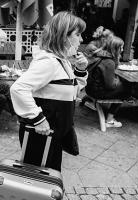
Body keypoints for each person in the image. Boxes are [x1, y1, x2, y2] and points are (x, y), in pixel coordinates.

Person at [10, 11, 88, 172]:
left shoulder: (62, 61)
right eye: (78, 34)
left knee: (47, 176)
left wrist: (80, 70)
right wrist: (38, 119)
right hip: (41, 134)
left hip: (53, 134)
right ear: (63, 36)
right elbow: (18, 88)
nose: (81, 40)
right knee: (37, 179)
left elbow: (72, 91)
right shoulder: (49, 62)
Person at [85, 36, 131, 128]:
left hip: (89, 89)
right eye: (121, 47)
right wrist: (118, 81)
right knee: (127, 89)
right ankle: (109, 120)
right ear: (115, 49)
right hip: (97, 93)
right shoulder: (109, 62)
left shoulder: (100, 55)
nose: (122, 49)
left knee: (122, 84)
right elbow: (110, 86)